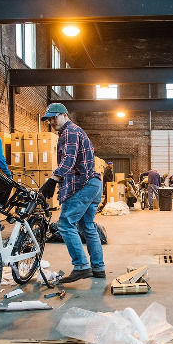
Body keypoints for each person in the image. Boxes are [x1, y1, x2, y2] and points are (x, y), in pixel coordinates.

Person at [38, 103, 105, 283]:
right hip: (94, 184)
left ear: (65, 115)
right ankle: (98, 267)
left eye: (55, 117)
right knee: (87, 226)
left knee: (66, 223)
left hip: (83, 185)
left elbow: (69, 159)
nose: (52, 121)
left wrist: (52, 180)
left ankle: (82, 266)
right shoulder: (74, 132)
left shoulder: (70, 132)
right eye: (49, 119)